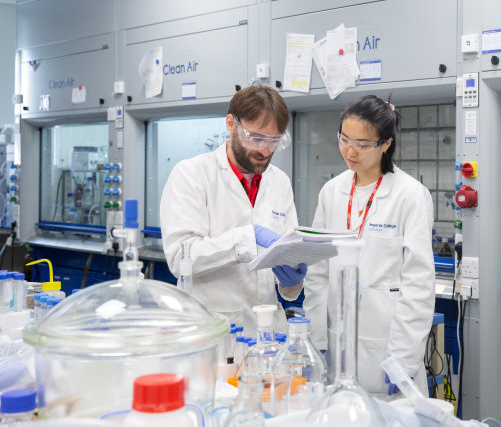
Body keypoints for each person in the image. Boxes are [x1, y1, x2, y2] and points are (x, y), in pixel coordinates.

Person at [303, 94, 436, 399]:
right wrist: (316, 341)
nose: (350, 151)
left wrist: (402, 359)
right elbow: (318, 272)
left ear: (386, 144)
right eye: (344, 139)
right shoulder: (331, 191)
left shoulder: (410, 196)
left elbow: (418, 285)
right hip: (337, 350)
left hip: (388, 350)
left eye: (362, 144)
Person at [160, 84, 307, 332]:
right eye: (256, 138)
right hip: (214, 330)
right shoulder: (192, 174)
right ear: (231, 124)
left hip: (270, 329)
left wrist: (292, 280)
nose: (264, 150)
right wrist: (246, 238)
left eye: (274, 141)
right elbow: (179, 258)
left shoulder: (280, 181)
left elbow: (287, 260)